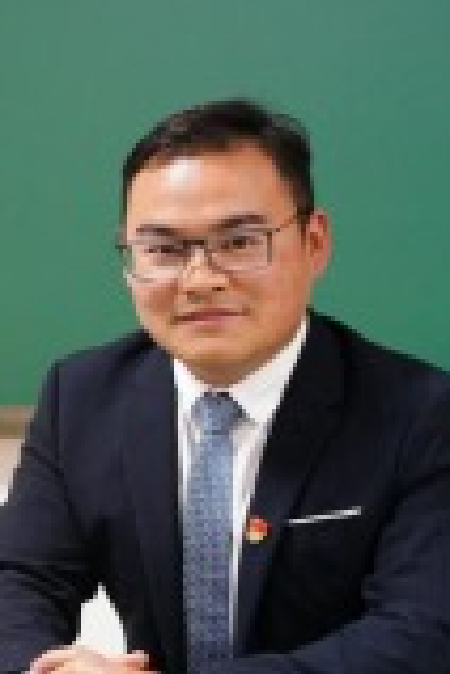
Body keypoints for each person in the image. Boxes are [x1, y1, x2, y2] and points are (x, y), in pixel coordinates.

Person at [1, 98, 449, 674]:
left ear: (313, 243)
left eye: (239, 242)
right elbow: (18, 581)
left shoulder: (421, 414)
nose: (200, 280)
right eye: (163, 249)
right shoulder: (81, 397)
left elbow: (420, 634)